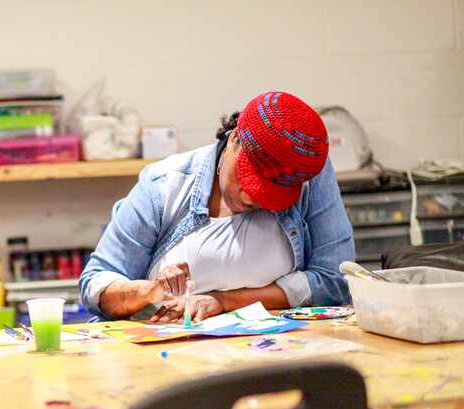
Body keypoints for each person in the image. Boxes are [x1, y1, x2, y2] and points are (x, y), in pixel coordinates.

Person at [80, 91, 354, 324]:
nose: (251, 199)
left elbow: (334, 281)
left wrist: (223, 301)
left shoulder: (305, 174)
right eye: (247, 180)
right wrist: (149, 291)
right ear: (234, 139)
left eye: (271, 195)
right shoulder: (164, 184)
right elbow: (96, 285)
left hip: (275, 353)